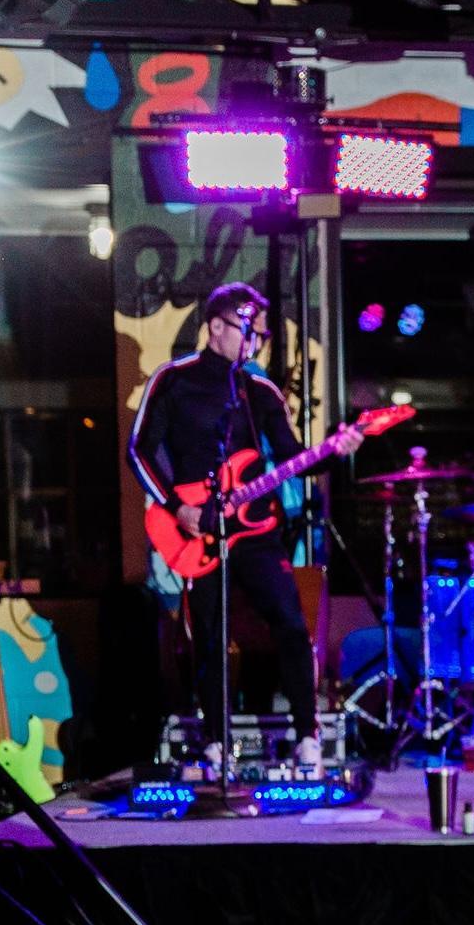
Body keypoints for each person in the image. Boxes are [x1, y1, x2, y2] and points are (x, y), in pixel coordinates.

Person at [129, 283, 359, 770]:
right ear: (215, 327)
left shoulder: (259, 392)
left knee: (291, 623)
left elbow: (293, 458)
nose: (255, 343)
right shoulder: (173, 380)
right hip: (197, 527)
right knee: (208, 635)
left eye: (260, 335)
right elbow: (140, 450)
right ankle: (215, 740)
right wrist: (177, 506)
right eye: (248, 332)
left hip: (255, 530)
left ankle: (307, 735)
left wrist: (334, 451)